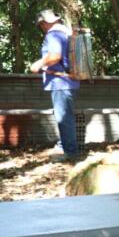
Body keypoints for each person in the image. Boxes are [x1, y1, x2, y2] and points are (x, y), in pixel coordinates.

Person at [30, 9, 79, 161]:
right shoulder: (65, 32)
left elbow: (55, 56)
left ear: (44, 23)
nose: (42, 28)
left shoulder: (54, 34)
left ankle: (70, 152)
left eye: (41, 25)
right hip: (67, 80)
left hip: (61, 83)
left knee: (64, 118)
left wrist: (38, 64)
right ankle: (63, 145)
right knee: (64, 116)